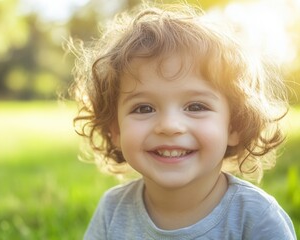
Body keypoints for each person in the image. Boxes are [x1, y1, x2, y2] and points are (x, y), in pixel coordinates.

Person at [69, 2, 296, 239]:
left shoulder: (256, 217)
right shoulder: (113, 210)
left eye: (196, 106)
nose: (169, 125)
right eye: (144, 108)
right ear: (115, 130)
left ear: (234, 125)